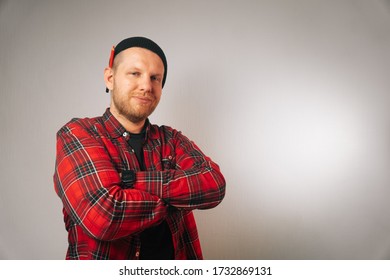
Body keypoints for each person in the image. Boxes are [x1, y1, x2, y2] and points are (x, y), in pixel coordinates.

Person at [53, 36, 226, 260]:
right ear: (110, 78)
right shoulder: (78, 133)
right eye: (135, 73)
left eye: (155, 78)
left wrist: (129, 181)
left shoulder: (171, 139)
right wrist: (176, 199)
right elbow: (104, 216)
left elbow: (214, 185)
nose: (146, 85)